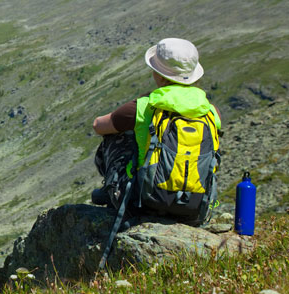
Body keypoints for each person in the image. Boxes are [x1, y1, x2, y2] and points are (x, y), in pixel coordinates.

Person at [90, 38, 221, 210]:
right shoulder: (211, 112)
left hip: (144, 202)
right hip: (195, 206)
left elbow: (98, 125)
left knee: (115, 135)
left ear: (159, 75)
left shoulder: (144, 107)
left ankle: (112, 188)